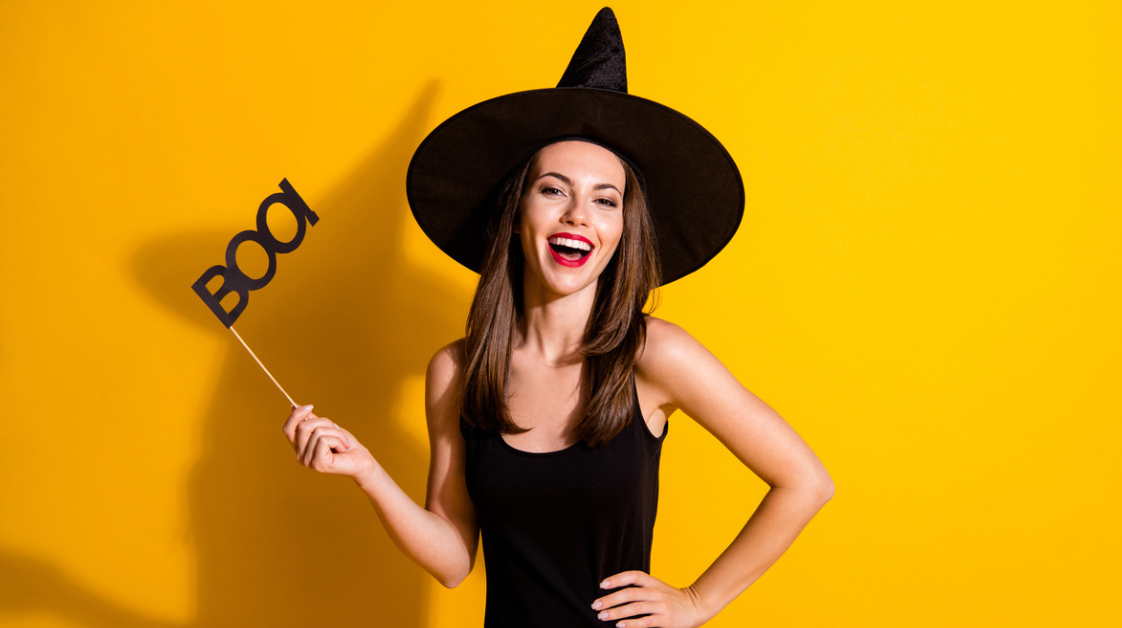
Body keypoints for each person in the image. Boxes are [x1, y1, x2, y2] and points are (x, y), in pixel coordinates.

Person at [282, 8, 833, 627]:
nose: (579, 215)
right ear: (517, 212)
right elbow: (454, 560)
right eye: (554, 189)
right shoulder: (458, 370)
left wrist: (697, 602)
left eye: (605, 200)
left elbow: (805, 482)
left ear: (623, 230)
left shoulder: (654, 356)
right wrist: (366, 471)